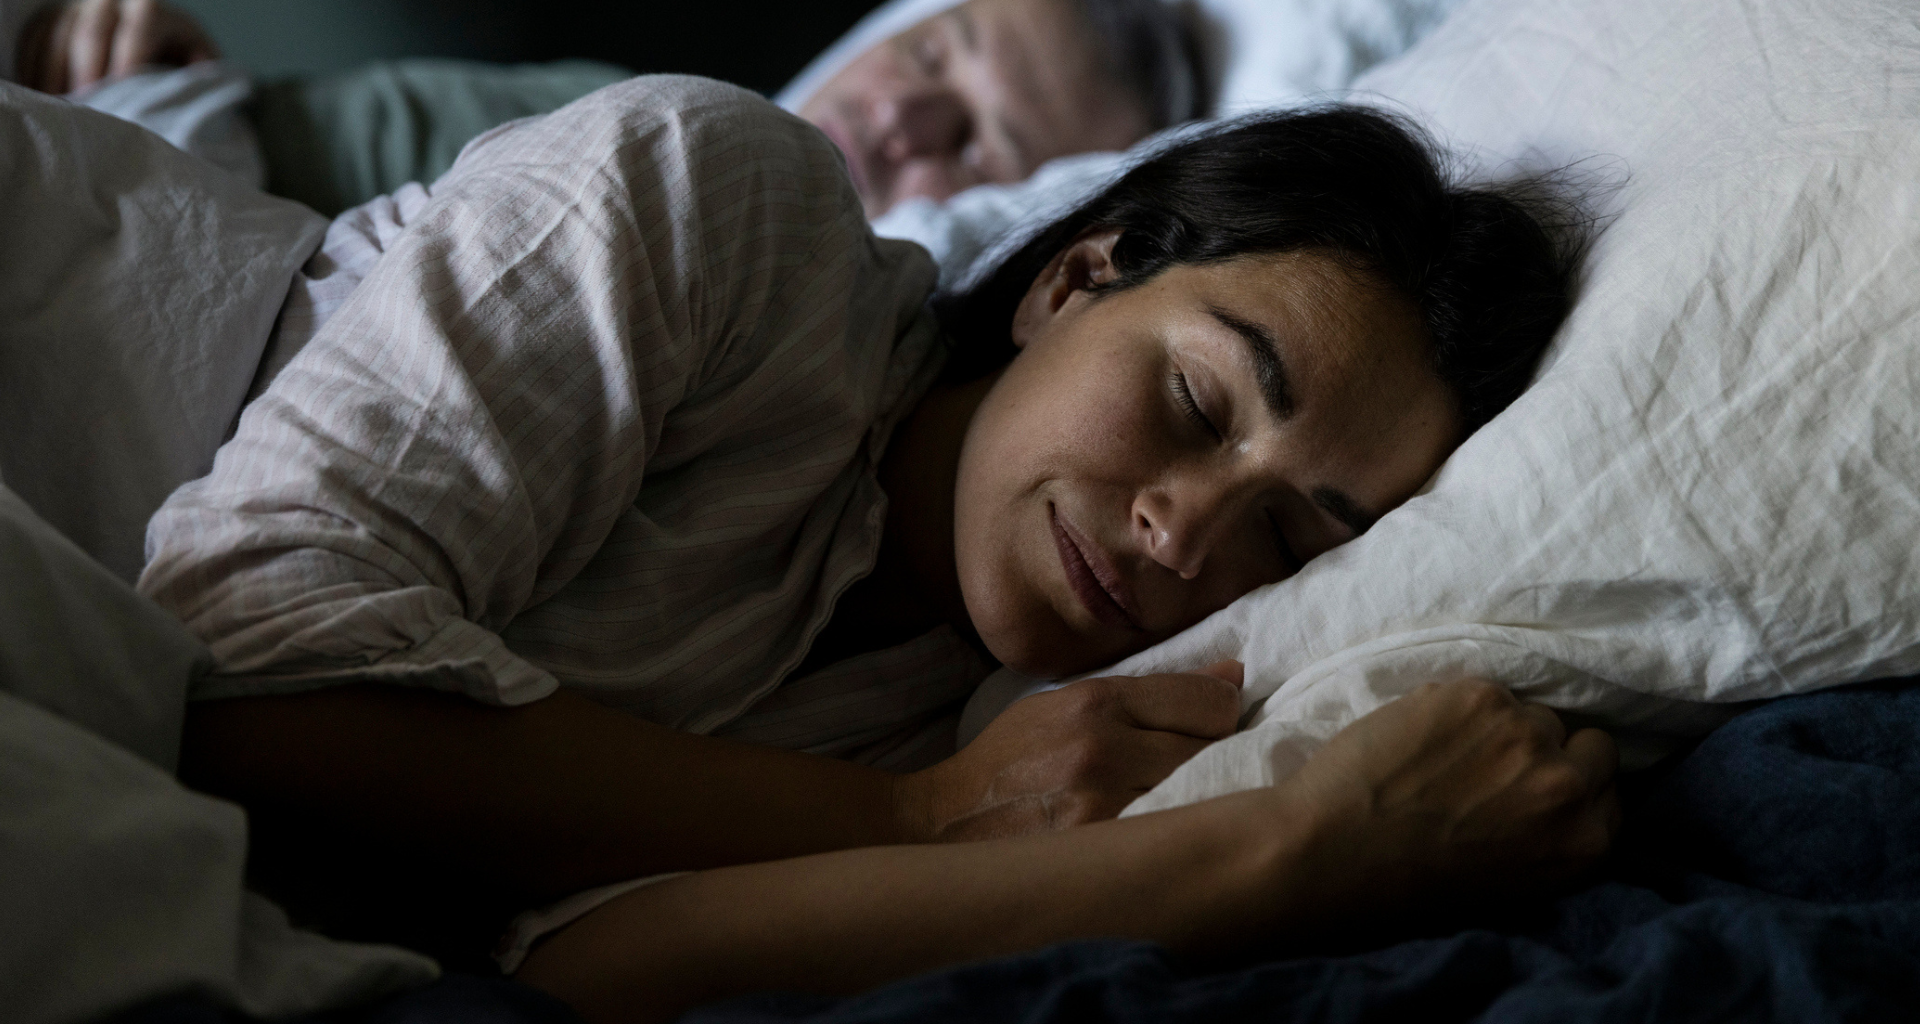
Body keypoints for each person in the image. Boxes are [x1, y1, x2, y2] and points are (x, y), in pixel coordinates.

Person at [136, 73, 1610, 1023]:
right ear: (1074, 277)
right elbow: (254, 666)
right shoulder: (726, 210)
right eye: (1193, 401)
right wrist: (920, 823)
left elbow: (573, 975)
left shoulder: (1002, 720)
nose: (1185, 531)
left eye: (1292, 534)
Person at [3, 0, 1199, 216]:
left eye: (981, 143)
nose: (905, 116)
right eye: (934, 52)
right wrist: (122, 46)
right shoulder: (596, 103)